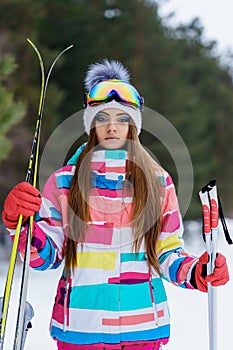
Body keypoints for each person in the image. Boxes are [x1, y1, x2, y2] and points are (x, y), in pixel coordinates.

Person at [2, 59, 229, 350]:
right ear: (90, 125)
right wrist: (19, 224)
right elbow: (48, 256)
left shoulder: (159, 183)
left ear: (133, 125)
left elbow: (167, 253)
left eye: (122, 118)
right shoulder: (64, 183)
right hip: (80, 331)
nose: (112, 126)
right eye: (102, 117)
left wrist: (197, 272)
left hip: (143, 330)